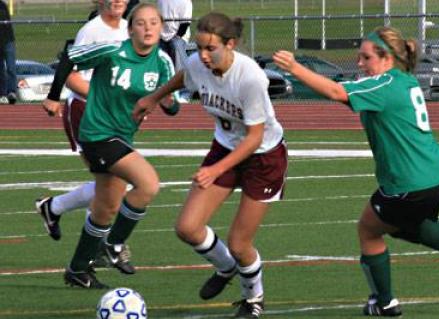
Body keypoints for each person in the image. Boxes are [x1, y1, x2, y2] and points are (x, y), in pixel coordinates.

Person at [273, 26, 439, 317]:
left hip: (410, 183)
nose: (359, 63)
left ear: (387, 59)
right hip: (438, 176)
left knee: (369, 230)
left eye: (365, 57)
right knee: (405, 226)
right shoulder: (405, 81)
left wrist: (294, 67)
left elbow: (335, 91)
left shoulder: (383, 84)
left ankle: (384, 303)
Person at [133, 12, 288, 318]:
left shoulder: (251, 78)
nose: (202, 56)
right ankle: (226, 266)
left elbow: (255, 138)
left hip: (263, 157)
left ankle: (253, 298)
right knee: (187, 228)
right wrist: (154, 98)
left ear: (231, 44)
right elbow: (184, 75)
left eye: (210, 49)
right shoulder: (197, 64)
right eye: (199, 47)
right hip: (226, 147)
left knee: (239, 242)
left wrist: (215, 170)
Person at [42, 3, 178, 288]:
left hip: (123, 135)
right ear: (130, 30)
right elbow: (68, 57)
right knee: (149, 184)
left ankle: (78, 271)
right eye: (141, 23)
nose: (149, 27)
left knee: (106, 208)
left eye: (154, 22)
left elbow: (171, 104)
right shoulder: (113, 51)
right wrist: (54, 96)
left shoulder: (163, 61)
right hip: (97, 134)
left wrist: (167, 103)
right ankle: (114, 244)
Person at [36, 0, 129, 245]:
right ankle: (99, 245)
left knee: (115, 183)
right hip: (86, 111)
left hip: (114, 115)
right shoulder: (91, 31)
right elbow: (72, 76)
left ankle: (54, 208)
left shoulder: (130, 28)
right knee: (109, 181)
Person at [157, 0, 192, 71]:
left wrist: (177, 37)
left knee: (178, 67)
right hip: (162, 37)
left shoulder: (185, 2)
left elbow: (185, 23)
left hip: (178, 38)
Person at [0, 0, 17, 105]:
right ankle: (2, 94)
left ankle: (12, 92)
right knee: (0, 70)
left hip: (8, 40)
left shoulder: (2, 5)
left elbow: (7, 24)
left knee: (11, 67)